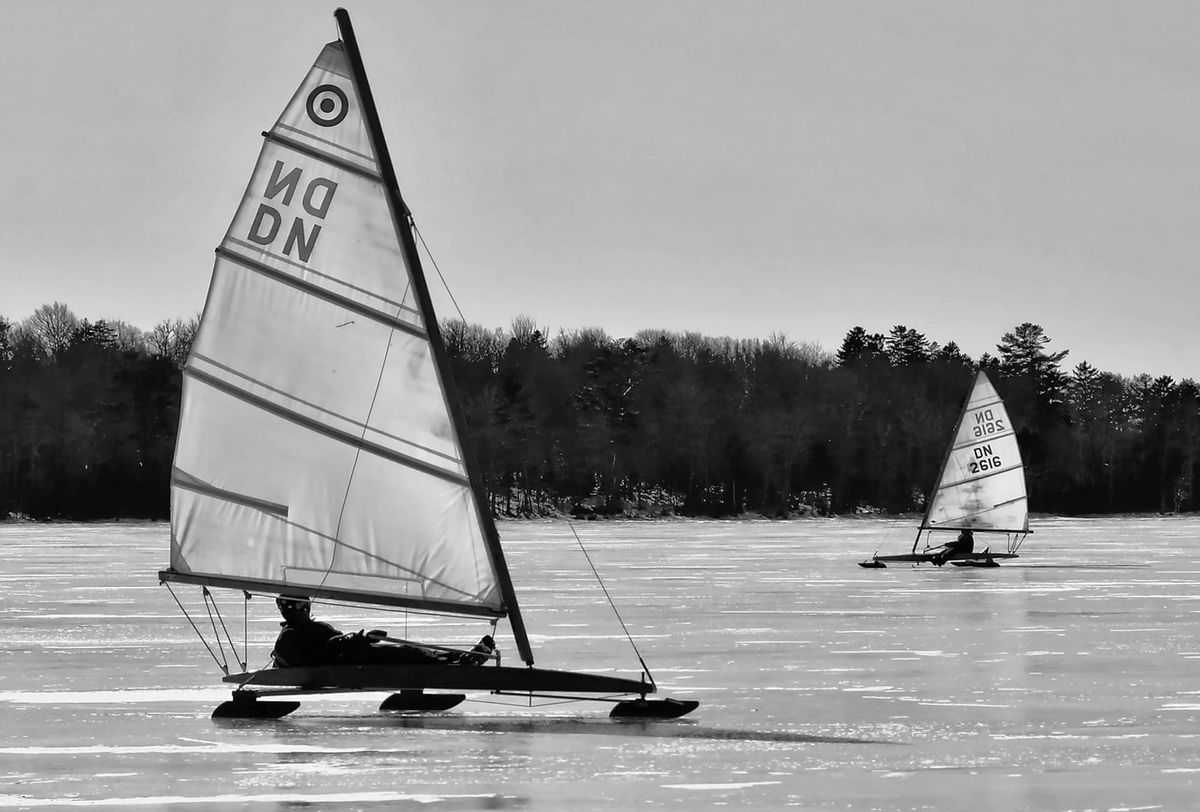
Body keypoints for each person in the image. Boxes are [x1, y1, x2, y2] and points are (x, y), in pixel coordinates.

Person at [271, 595, 495, 668]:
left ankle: (460, 657)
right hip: (351, 663)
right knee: (406, 653)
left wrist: (359, 639)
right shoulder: (290, 636)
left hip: (354, 656)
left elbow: (332, 642)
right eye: (288, 606)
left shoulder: (311, 628)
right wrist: (359, 638)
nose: (294, 610)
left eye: (298, 605)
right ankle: (459, 663)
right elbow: (319, 655)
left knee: (409, 650)